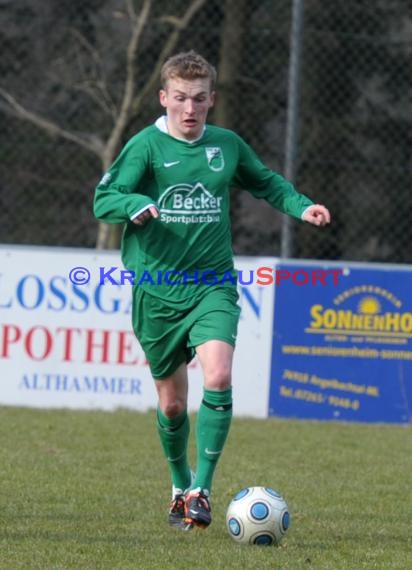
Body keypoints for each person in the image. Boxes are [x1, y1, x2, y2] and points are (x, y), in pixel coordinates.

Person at [93, 50, 330, 531]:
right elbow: (104, 199)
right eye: (179, 98)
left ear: (211, 100)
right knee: (173, 404)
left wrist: (302, 207)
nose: (189, 108)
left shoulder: (226, 145)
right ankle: (180, 485)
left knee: (218, 376)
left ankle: (202, 488)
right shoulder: (145, 147)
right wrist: (135, 202)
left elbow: (266, 184)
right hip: (156, 289)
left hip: (213, 285)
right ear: (164, 97)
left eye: (199, 99)